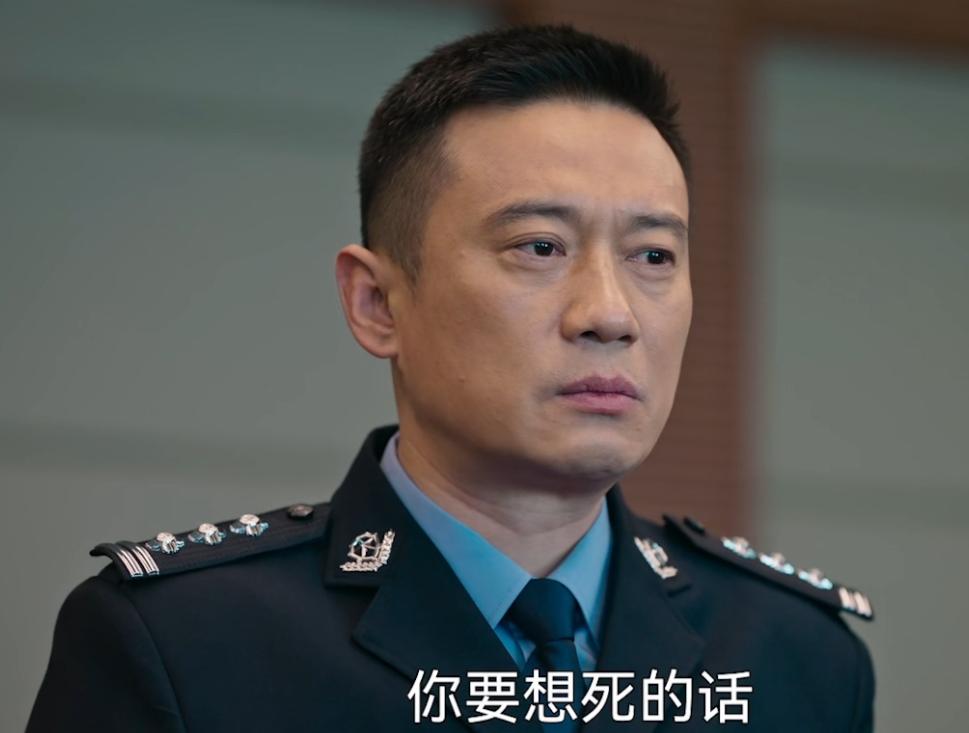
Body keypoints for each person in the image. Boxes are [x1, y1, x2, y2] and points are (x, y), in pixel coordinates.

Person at [27, 23, 875, 732]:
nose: (609, 314)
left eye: (653, 255)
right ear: (377, 303)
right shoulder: (184, 641)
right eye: (539, 246)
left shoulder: (795, 655)